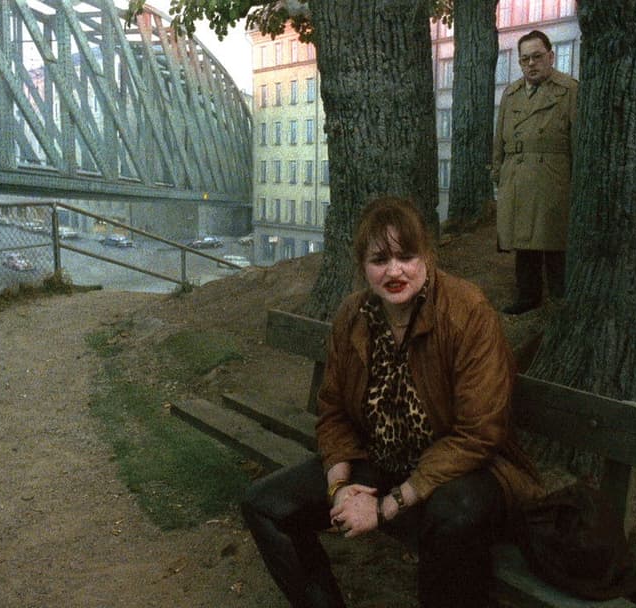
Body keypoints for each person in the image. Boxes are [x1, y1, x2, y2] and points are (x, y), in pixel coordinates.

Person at [240, 196, 541, 608]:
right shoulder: (353, 316)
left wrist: (387, 507)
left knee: (451, 517)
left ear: (427, 256)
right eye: (380, 259)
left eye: (406, 256)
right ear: (363, 266)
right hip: (382, 460)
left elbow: (479, 434)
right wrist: (340, 489)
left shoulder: (467, 312)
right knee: (265, 505)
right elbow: (333, 412)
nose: (394, 271)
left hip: (465, 469)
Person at [492, 30, 578, 315]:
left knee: (554, 239)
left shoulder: (569, 91)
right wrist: (499, 172)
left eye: (537, 57)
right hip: (516, 175)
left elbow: (578, 141)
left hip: (553, 176)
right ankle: (528, 296)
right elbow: (500, 138)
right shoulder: (512, 93)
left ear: (551, 57)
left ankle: (561, 299)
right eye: (525, 59)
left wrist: (576, 182)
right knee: (523, 239)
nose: (531, 64)